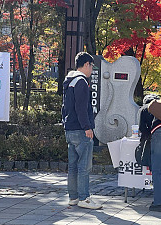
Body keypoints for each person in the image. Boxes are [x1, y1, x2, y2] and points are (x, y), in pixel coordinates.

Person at [62, 52, 102, 210]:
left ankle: (73, 197)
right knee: (84, 166)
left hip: (70, 128)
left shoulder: (69, 81)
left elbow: (65, 107)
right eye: (91, 66)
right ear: (86, 64)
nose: (92, 69)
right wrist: (87, 127)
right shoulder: (81, 82)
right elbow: (81, 108)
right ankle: (84, 198)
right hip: (80, 129)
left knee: (72, 166)